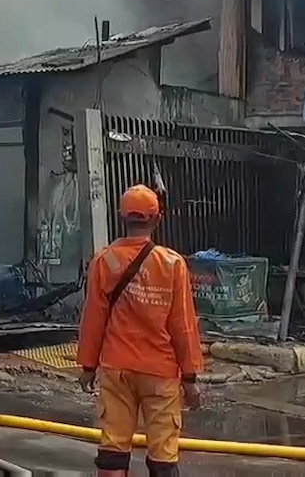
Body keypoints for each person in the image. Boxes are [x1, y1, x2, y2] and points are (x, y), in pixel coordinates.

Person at [76, 184, 203, 477]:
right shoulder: (173, 264)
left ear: (122, 218)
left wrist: (87, 366)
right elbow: (183, 324)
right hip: (160, 372)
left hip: (116, 368)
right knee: (163, 455)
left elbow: (93, 317)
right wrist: (190, 377)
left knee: (112, 450)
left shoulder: (104, 260)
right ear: (157, 219)